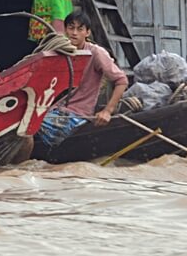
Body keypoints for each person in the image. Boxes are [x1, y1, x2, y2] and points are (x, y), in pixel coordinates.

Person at [15, 11, 129, 160]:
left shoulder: (96, 53)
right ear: (65, 29)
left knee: (27, 128)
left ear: (87, 32)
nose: (74, 33)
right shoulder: (59, 52)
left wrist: (107, 111)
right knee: (16, 121)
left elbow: (122, 80)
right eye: (71, 28)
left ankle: (20, 168)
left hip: (75, 115)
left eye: (80, 29)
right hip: (53, 109)